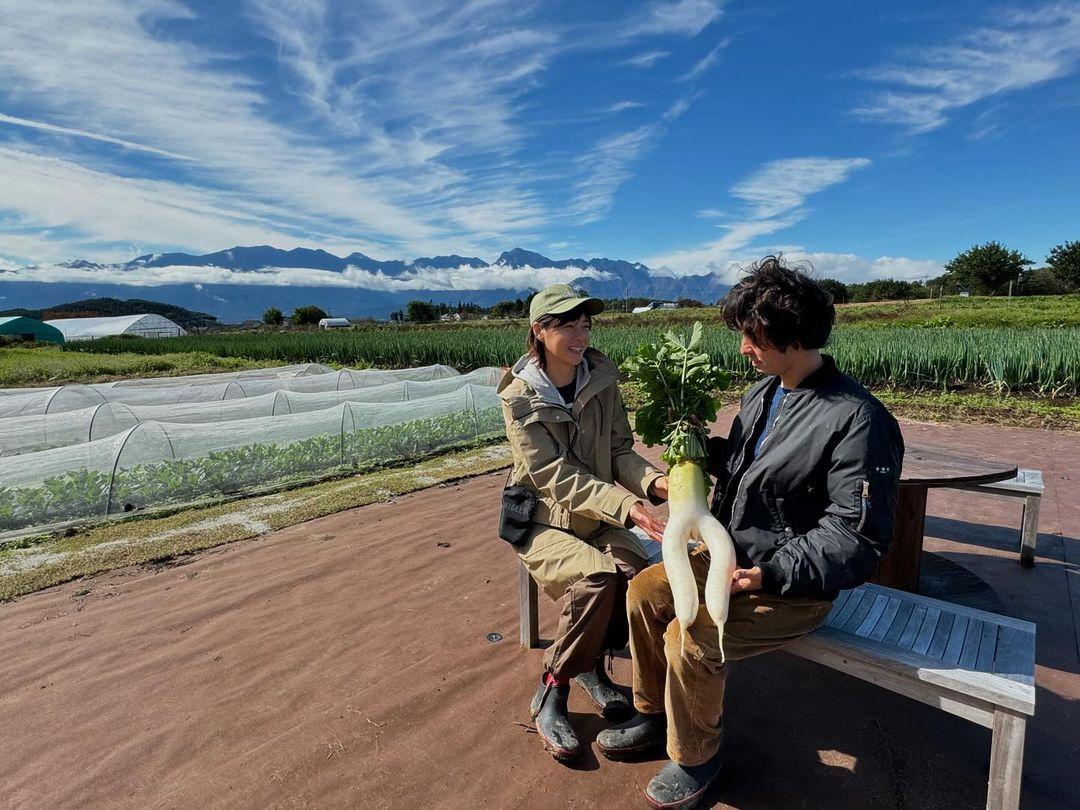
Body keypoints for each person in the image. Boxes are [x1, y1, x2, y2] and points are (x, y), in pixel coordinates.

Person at [596, 257, 905, 808]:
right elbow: (743, 464)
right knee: (645, 592)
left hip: (793, 585)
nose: (743, 348)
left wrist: (769, 573)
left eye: (752, 336)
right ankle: (652, 714)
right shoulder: (766, 392)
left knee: (688, 638)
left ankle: (696, 756)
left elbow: (857, 536)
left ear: (793, 335)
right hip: (733, 555)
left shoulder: (858, 419)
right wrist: (694, 449)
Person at [497, 283, 670, 762]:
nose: (579, 334)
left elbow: (617, 452)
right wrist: (628, 508)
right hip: (543, 521)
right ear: (539, 331)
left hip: (599, 517)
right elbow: (552, 475)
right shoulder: (519, 397)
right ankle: (553, 688)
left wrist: (658, 485)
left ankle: (594, 669)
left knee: (640, 579)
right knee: (597, 578)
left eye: (585, 323)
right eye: (567, 324)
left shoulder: (600, 380)